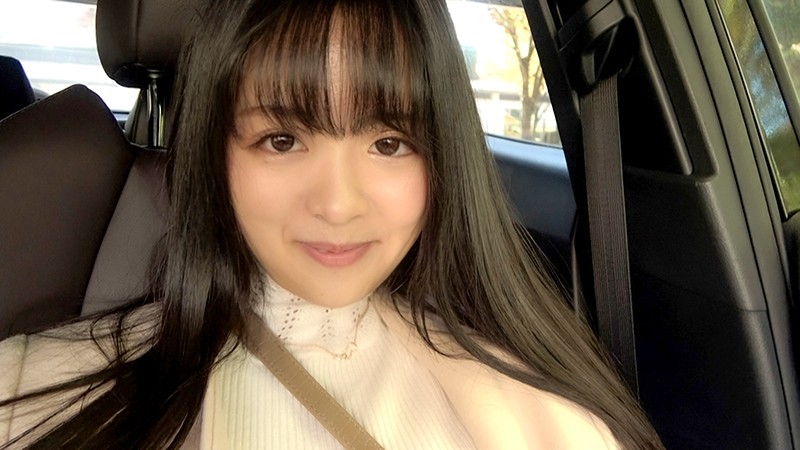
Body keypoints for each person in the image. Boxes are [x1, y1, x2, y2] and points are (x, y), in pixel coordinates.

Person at [0, 0, 663, 448]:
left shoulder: (547, 423)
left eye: (389, 143)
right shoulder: (30, 387)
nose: (338, 205)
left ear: (443, 159)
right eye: (282, 140)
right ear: (216, 155)